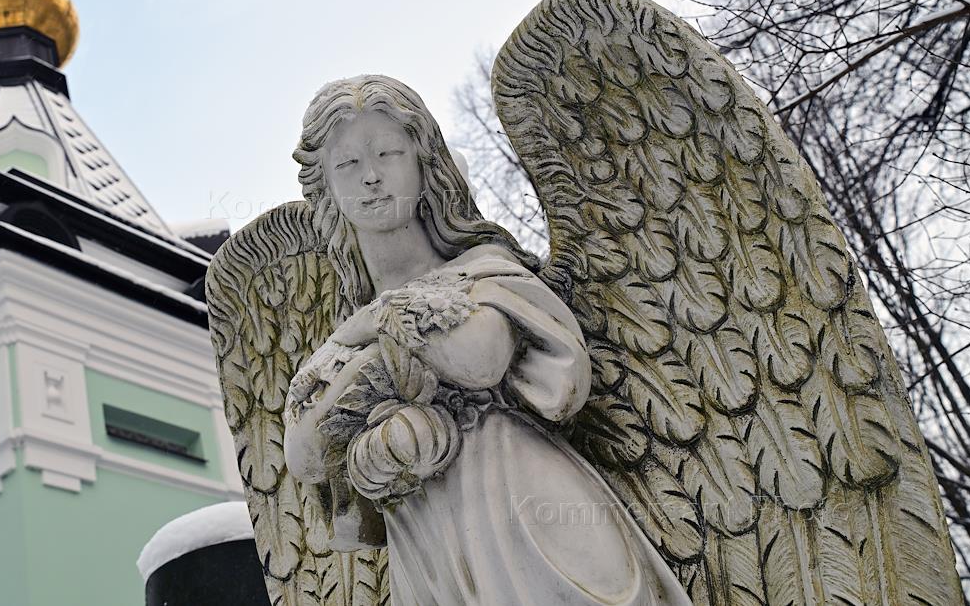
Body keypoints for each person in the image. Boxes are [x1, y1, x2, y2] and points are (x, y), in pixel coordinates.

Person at [282, 75, 691, 606]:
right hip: (427, 542)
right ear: (327, 189)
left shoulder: (483, 270)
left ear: (425, 162)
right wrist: (369, 340)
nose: (372, 176)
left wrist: (378, 325)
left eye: (387, 153)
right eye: (348, 164)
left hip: (525, 502)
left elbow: (479, 360)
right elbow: (306, 456)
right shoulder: (343, 336)